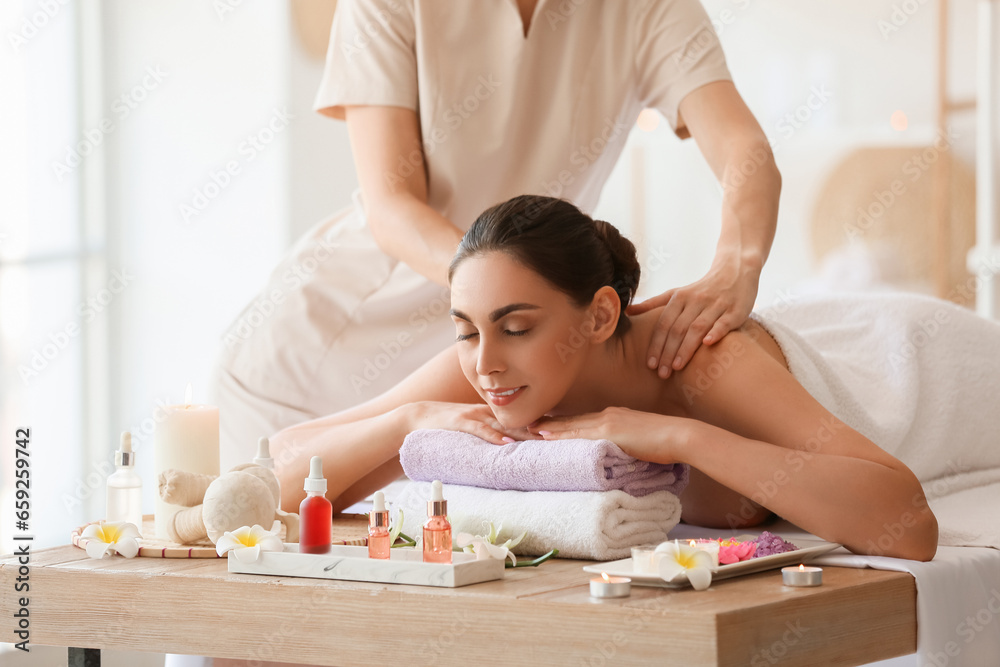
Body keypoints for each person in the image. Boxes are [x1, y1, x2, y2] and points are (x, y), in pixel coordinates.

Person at [209, 0, 782, 472]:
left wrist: (738, 266)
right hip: (319, 352)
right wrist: (492, 305)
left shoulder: (647, 8)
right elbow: (391, 204)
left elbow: (743, 150)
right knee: (264, 562)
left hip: (494, 355)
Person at [266, 194, 966, 565]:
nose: (483, 362)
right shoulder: (489, 366)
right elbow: (281, 476)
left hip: (922, 361)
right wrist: (407, 420)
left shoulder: (701, 361)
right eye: (465, 328)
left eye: (516, 326)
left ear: (600, 314)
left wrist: (675, 436)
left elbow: (907, 525)